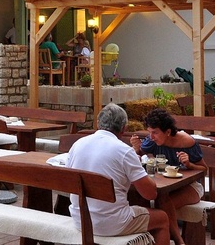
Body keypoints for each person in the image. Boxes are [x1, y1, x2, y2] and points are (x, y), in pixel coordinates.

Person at [67, 104, 170, 245]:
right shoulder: (124, 151)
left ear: (98, 123)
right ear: (124, 129)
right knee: (162, 218)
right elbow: (150, 194)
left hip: (80, 218)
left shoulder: (78, 144)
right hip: (112, 224)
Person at [130, 108, 207, 245]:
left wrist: (189, 164)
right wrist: (137, 149)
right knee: (141, 196)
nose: (151, 137)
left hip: (190, 186)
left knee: (163, 202)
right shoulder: (152, 141)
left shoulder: (186, 142)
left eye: (155, 132)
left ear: (168, 132)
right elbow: (141, 154)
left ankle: (178, 241)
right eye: (149, 132)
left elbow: (204, 169)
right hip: (166, 187)